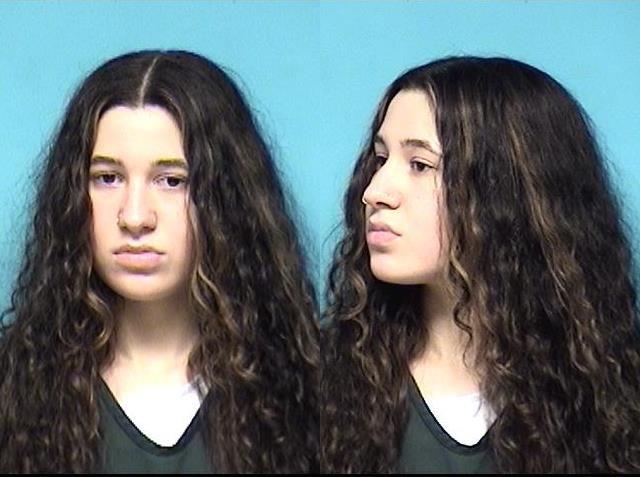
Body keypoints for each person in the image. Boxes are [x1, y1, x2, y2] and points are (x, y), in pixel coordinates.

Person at [0, 49, 319, 473]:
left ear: (227, 200)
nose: (135, 217)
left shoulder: (303, 389)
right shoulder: (13, 384)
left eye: (171, 181)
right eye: (107, 178)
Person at [320, 55, 640, 473]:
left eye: (420, 165)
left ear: (506, 190)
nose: (374, 191)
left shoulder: (612, 396)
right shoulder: (322, 382)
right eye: (380, 159)